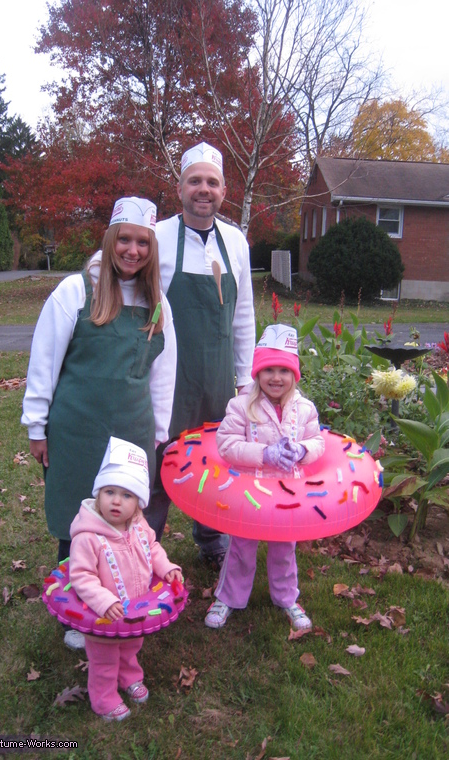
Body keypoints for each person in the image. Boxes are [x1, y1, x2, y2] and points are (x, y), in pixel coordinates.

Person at [21, 197, 177, 650]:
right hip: (77, 427)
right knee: (79, 515)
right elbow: (44, 359)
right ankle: (76, 607)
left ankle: (124, 595)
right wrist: (37, 425)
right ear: (110, 241)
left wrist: (160, 432)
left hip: (132, 428)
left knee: (122, 517)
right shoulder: (75, 291)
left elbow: (164, 370)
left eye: (142, 242)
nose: (132, 250)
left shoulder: (157, 302)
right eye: (124, 240)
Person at [144, 143, 256, 568]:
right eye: (195, 181)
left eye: (211, 182)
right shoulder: (156, 238)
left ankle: (211, 540)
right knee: (158, 463)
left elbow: (243, 314)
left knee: (214, 462)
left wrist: (245, 381)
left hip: (217, 379)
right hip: (165, 377)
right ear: (180, 188)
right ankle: (144, 543)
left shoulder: (236, 241)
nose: (203, 189)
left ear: (224, 191)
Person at [204, 324, 325, 630]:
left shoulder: (305, 409)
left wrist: (301, 450)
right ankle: (229, 597)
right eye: (268, 369)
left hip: (288, 493)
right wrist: (264, 453)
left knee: (285, 548)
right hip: (250, 492)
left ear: (294, 375)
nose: (276, 377)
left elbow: (318, 442)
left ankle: (287, 597)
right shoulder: (242, 406)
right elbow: (227, 443)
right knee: (241, 547)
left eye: (283, 370)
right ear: (256, 373)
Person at [69, 436, 183, 722]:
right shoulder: (87, 537)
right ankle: (104, 699)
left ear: (138, 504)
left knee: (132, 646)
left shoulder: (138, 526)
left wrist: (165, 567)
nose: (117, 500)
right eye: (109, 491)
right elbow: (81, 575)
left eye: (127, 495)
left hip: (136, 608)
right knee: (104, 659)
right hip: (105, 614)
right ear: (98, 495)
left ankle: (129, 676)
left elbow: (152, 548)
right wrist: (103, 600)